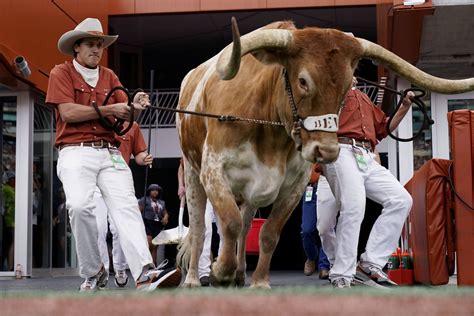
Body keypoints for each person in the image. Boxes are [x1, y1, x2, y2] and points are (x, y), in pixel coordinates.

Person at [45, 17, 181, 291]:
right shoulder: (60, 73)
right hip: (74, 151)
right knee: (80, 206)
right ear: (76, 48)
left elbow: (126, 116)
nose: (96, 49)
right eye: (91, 44)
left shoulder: (110, 76)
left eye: (100, 45)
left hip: (110, 152)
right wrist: (109, 110)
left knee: (128, 207)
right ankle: (94, 272)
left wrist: (137, 106)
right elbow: (67, 113)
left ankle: (144, 273)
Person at [317, 77, 414, 289]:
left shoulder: (364, 99)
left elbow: (384, 128)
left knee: (401, 199)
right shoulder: (328, 92)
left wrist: (404, 107)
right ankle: (341, 272)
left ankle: (370, 263)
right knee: (350, 209)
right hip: (340, 151)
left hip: (366, 155)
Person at [95, 121, 153, 288]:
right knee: (98, 228)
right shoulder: (97, 119)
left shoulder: (132, 126)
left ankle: (120, 268)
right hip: (95, 181)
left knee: (120, 229)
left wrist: (144, 158)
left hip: (118, 181)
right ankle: (102, 270)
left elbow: (139, 153)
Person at [301, 164, 330, 279]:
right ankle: (312, 256)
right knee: (307, 229)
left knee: (327, 227)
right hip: (311, 188)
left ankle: (324, 266)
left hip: (329, 188)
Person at [139, 184, 169, 266]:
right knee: (149, 243)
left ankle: (153, 264)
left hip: (157, 224)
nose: (155, 192)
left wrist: (166, 217)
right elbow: (138, 211)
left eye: (157, 190)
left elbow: (165, 213)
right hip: (147, 223)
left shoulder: (161, 202)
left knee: (155, 245)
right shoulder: (144, 200)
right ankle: (145, 262)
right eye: (153, 190)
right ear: (149, 191)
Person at [1, 171, 15, 271]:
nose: (15, 181)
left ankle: (9, 265)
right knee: (11, 242)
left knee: (10, 242)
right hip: (10, 219)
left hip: (12, 218)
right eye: (13, 179)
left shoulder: (9, 189)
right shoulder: (7, 189)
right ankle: (10, 266)